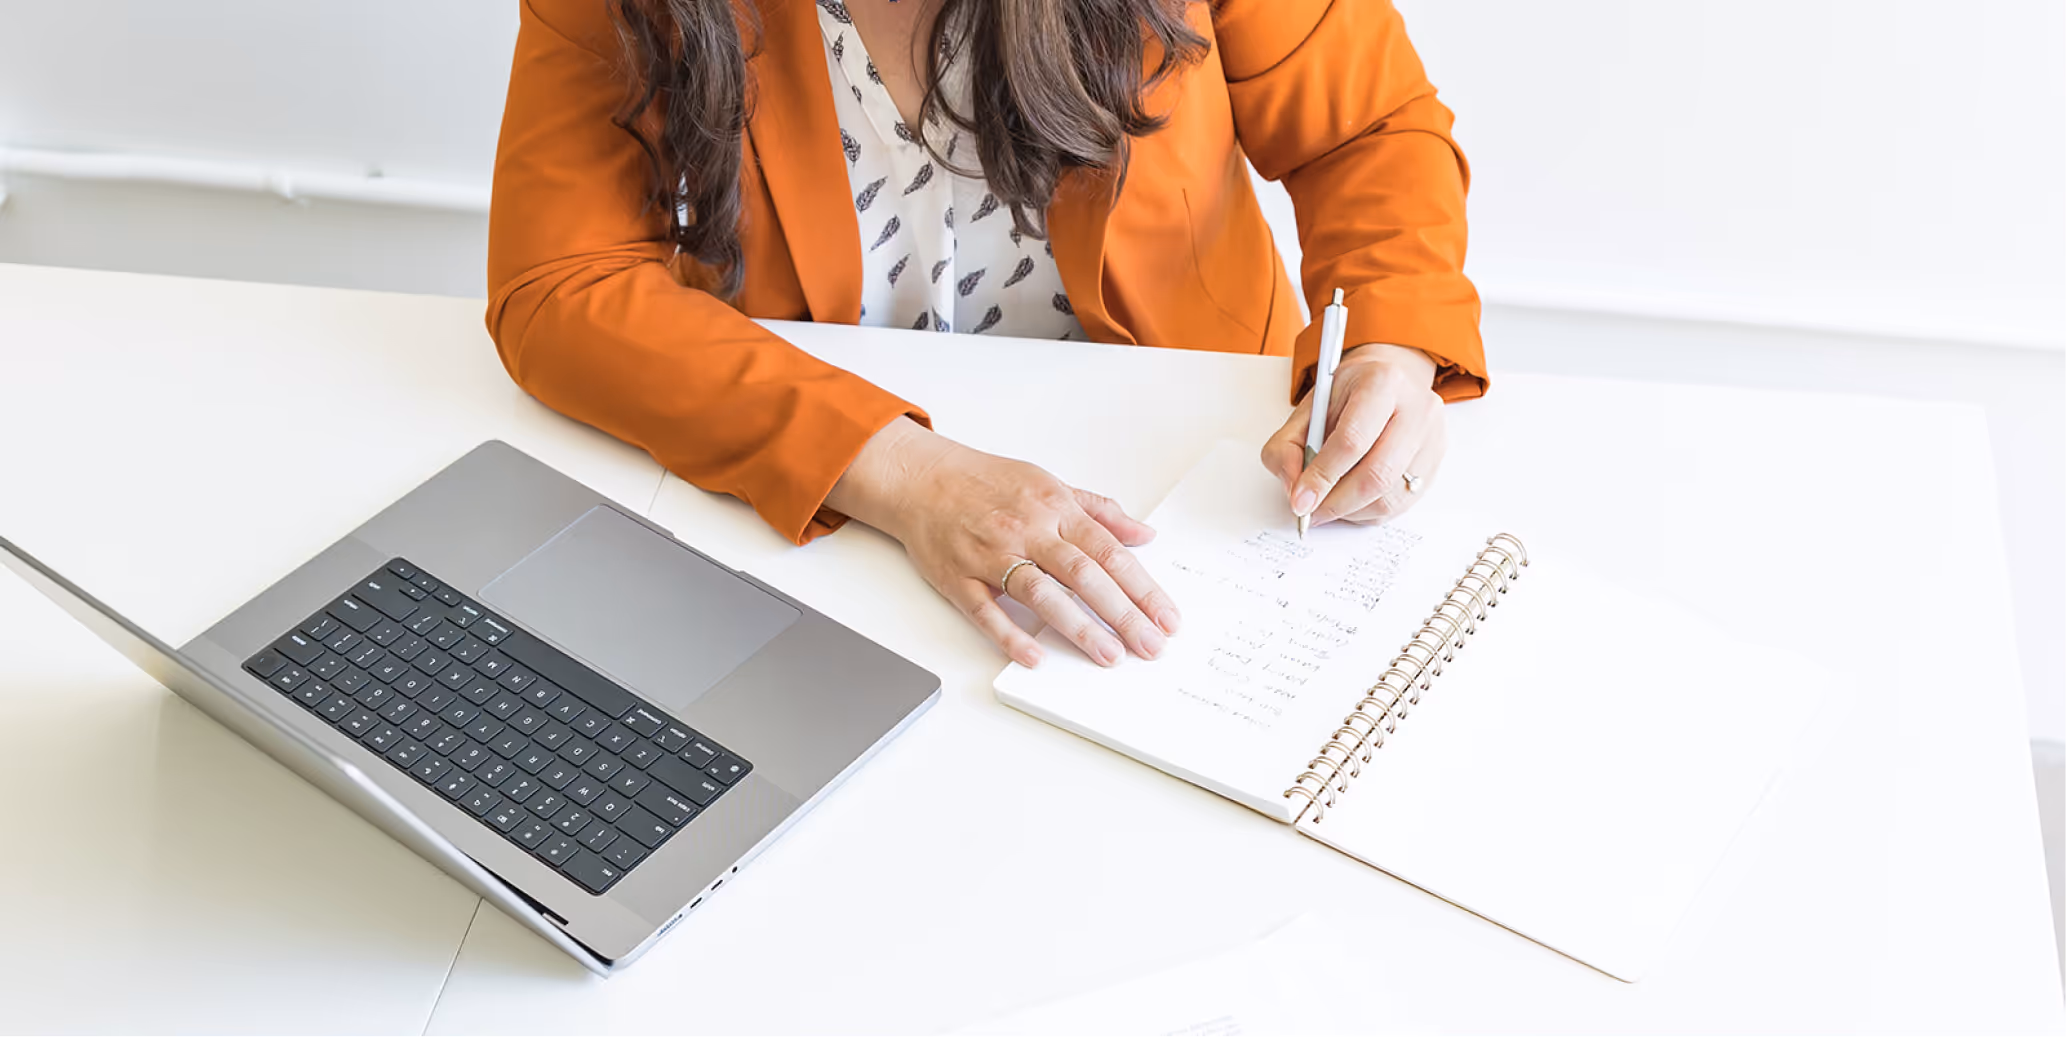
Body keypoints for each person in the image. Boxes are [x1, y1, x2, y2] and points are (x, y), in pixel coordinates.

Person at [487, 0, 1486, 671]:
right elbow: (559, 282)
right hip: (828, 493)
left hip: (1188, 466)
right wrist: (905, 471)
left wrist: (1390, 344)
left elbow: (1366, 131)